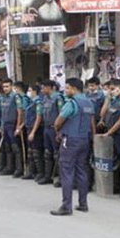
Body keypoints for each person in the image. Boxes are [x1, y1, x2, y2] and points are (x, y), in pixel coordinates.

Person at [50, 78, 95, 216]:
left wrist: (58, 131)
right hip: (84, 139)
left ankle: (66, 206)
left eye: (68, 88)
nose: (66, 90)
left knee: (66, 171)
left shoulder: (71, 103)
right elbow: (92, 122)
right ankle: (83, 203)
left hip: (70, 139)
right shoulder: (88, 102)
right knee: (82, 170)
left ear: (74, 89)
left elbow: (58, 121)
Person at [98, 79, 120, 197]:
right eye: (109, 89)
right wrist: (108, 99)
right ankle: (116, 185)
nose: (111, 91)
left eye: (113, 89)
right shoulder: (113, 101)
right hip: (112, 134)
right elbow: (102, 114)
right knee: (114, 161)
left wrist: (109, 133)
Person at [0, 79, 24, 176]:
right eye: (4, 87)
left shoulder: (15, 97)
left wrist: (18, 127)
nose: (5, 89)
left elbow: (20, 112)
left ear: (12, 86)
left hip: (13, 124)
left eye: (7, 86)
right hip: (6, 125)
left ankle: (19, 169)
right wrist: (1, 127)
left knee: (15, 147)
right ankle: (9, 168)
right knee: (7, 147)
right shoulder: (3, 98)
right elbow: (3, 114)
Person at [40, 80, 65, 186]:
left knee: (57, 154)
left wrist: (59, 131)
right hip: (46, 128)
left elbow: (62, 114)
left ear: (49, 87)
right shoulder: (45, 98)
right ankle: (47, 176)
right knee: (47, 153)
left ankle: (60, 177)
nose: (41, 90)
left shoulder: (58, 98)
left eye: (43, 88)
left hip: (55, 129)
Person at [23, 85, 42, 180]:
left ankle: (39, 173)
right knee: (30, 152)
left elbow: (38, 117)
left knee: (36, 152)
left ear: (35, 91)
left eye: (30, 90)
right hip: (29, 128)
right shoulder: (31, 102)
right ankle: (31, 171)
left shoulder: (38, 102)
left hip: (36, 129)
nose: (28, 92)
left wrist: (33, 132)